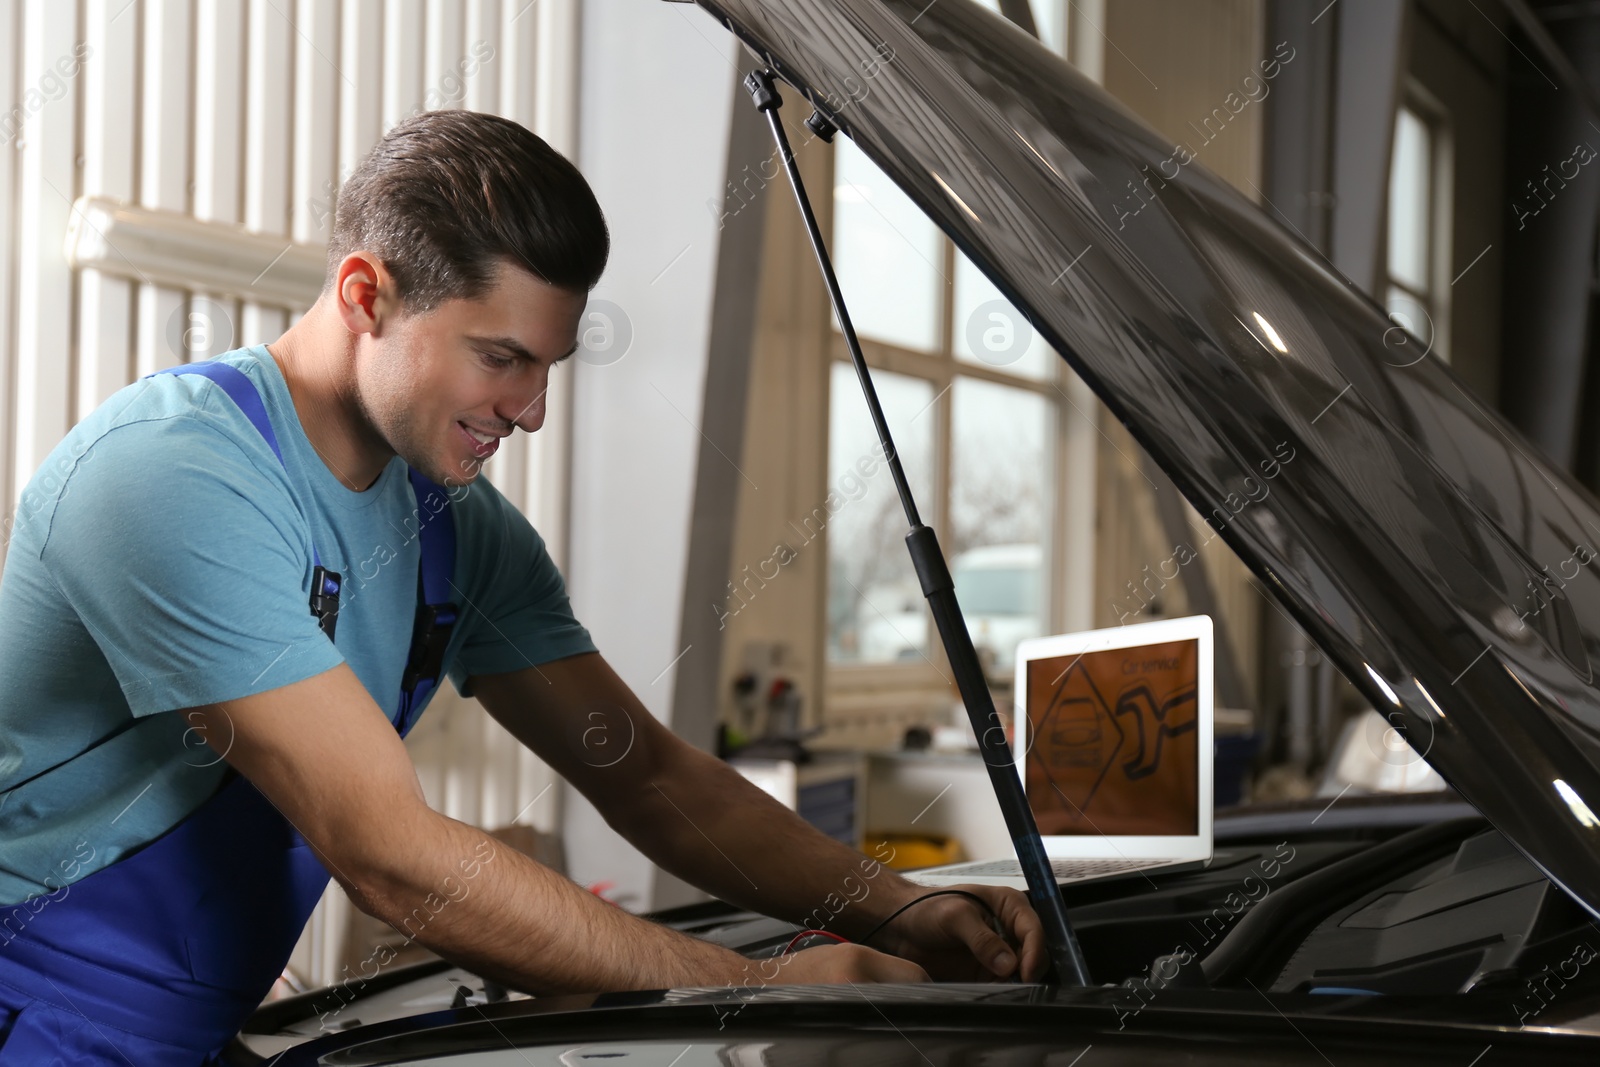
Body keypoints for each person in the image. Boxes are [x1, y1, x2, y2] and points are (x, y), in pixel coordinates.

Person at [0, 109, 1044, 1065]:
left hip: (178, 1031)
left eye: (547, 363)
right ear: (366, 295)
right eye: (500, 358)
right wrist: (757, 984)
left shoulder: (459, 531)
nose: (531, 409)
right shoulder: (176, 478)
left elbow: (644, 774)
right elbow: (389, 854)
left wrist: (897, 907)